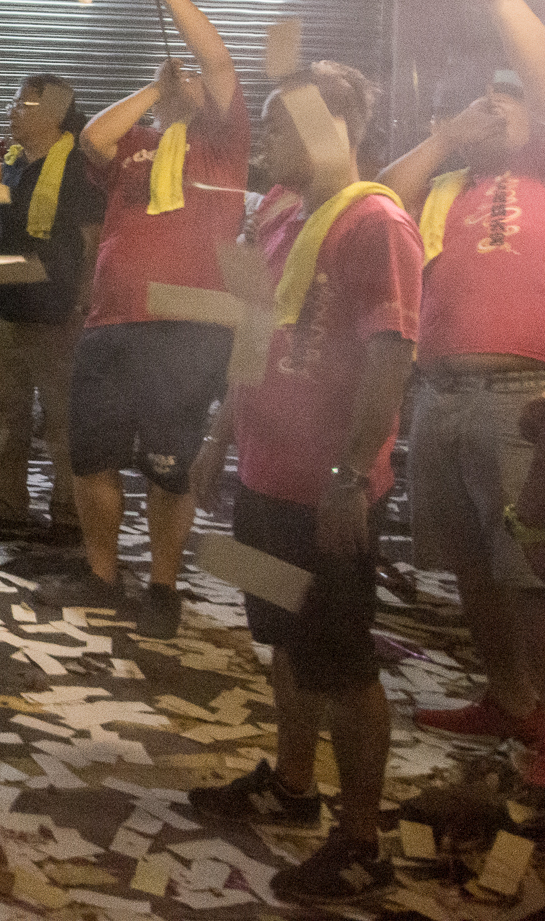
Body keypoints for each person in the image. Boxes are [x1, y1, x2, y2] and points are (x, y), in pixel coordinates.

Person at [187, 60, 417, 904]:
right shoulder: (285, 213)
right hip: (265, 475)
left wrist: (352, 475)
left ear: (332, 126)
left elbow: (392, 354)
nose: (267, 143)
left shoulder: (377, 222)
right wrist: (219, 437)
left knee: (343, 662)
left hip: (327, 492)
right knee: (284, 636)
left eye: (281, 126)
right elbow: (256, 327)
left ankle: (361, 842)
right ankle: (291, 783)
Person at [378, 0, 545, 768]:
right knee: (472, 567)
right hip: (439, 395)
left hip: (521, 401)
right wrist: (448, 135)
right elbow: (380, 199)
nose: (492, 111)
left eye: (504, 101)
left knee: (530, 569)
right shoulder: (448, 182)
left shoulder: (540, 172)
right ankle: (510, 698)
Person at [68, 0, 246, 634]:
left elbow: (220, 63)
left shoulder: (223, 146)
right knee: (92, 456)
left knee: (169, 465)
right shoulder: (138, 141)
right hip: (111, 322)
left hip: (187, 328)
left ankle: (164, 584)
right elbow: (93, 136)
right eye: (183, 75)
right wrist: (154, 89)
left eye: (196, 78)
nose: (192, 79)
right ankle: (101, 573)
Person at [0, 73, 101, 539]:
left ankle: (69, 515)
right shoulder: (10, 162)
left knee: (61, 419)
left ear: (54, 112)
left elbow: (94, 243)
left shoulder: (80, 167)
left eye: (22, 104)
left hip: (55, 309)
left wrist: (84, 304)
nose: (11, 111)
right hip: (1, 303)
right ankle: (6, 506)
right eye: (13, 103)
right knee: (5, 413)